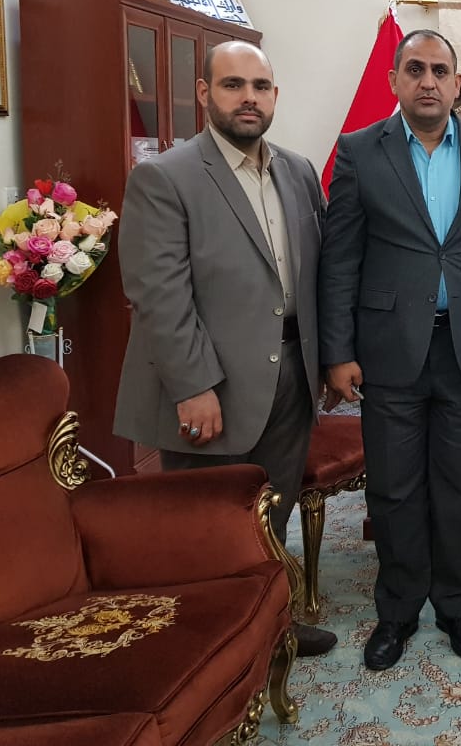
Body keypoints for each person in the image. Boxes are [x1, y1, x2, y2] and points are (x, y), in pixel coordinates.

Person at [114, 40, 336, 657]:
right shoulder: (166, 176)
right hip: (211, 387)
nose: (248, 98)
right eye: (233, 85)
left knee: (274, 510)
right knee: (208, 525)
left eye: (260, 87)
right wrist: (193, 386)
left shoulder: (297, 171)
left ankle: (271, 625)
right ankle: (211, 650)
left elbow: (316, 274)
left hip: (291, 376)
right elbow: (159, 295)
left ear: (275, 96)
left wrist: (323, 361)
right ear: (204, 93)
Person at [319, 28, 461, 671]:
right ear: (395, 80)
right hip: (388, 349)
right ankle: (398, 609)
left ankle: (457, 604)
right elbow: (340, 259)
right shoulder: (359, 150)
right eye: (415, 69)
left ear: (458, 83)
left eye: (440, 70)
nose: (429, 81)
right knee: (394, 487)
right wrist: (337, 351)